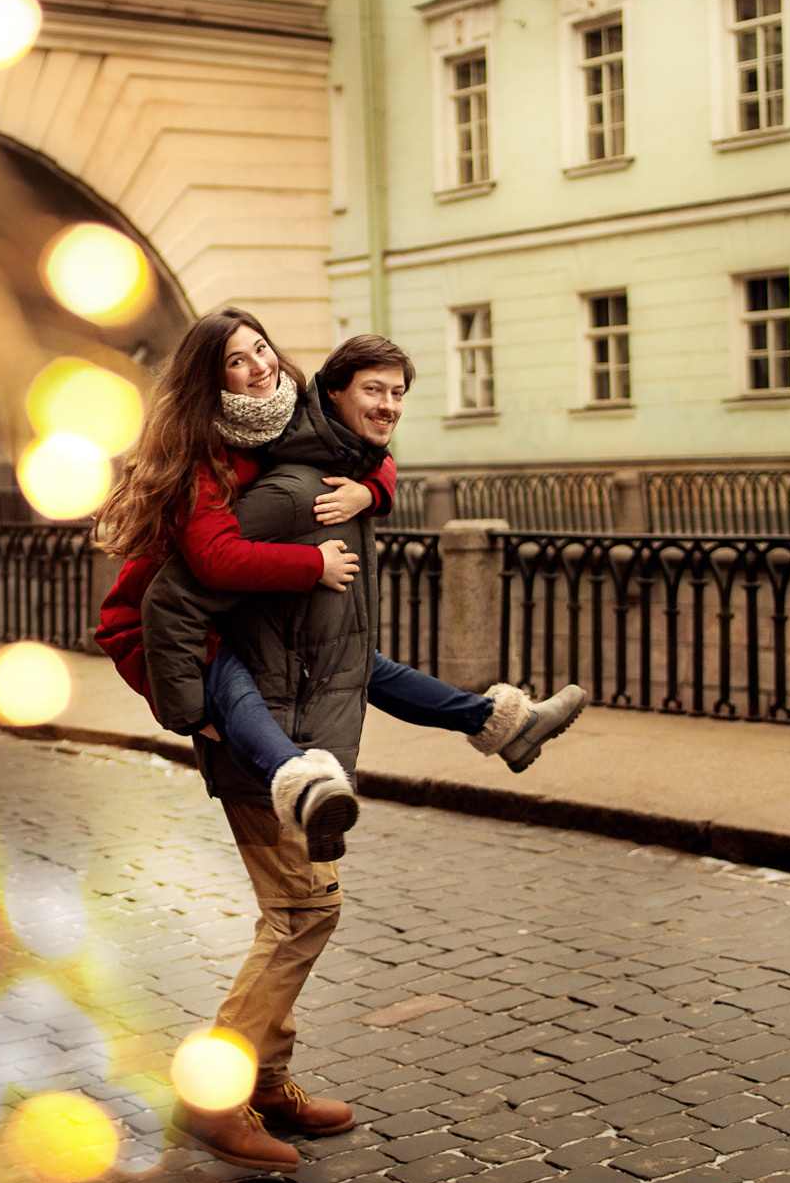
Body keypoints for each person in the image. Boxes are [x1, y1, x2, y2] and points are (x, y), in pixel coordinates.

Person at [134, 334, 584, 1173]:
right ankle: (213, 1089)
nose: (389, 408)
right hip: (262, 742)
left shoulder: (343, 485)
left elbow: (348, 658)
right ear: (332, 394)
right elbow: (173, 600)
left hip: (306, 724)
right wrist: (197, 716)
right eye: (375, 391)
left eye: (400, 395)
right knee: (303, 913)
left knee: (309, 905)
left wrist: (373, 487)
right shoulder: (295, 494)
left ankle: (265, 1079)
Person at [94, 313, 586, 857]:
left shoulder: (280, 413)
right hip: (164, 626)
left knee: (354, 660)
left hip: (227, 606)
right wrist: (312, 564)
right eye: (238, 360)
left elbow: (358, 442)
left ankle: (496, 723)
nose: (260, 366)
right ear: (211, 381)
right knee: (235, 686)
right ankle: (302, 783)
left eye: (262, 348)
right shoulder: (204, 453)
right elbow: (207, 566)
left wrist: (370, 492)